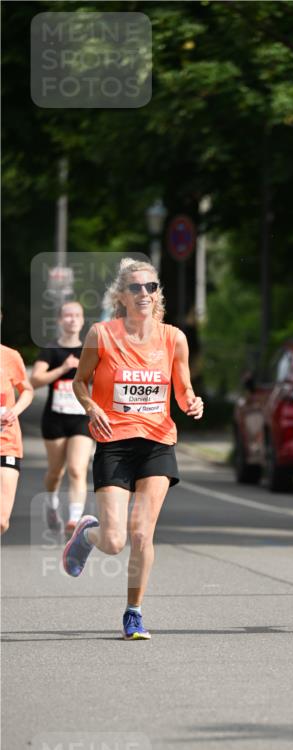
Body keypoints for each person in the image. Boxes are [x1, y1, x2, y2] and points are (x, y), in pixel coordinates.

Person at [63, 258, 204, 639]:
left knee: (142, 534)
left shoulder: (173, 338)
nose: (145, 294)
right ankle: (88, 535)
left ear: (158, 294)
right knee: (114, 541)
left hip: (158, 442)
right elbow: (80, 382)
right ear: (121, 296)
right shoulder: (101, 334)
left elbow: (183, 386)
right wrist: (92, 407)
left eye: (151, 287)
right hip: (114, 444)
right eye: (136, 288)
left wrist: (192, 401)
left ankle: (134, 612)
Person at [30, 301, 94, 537]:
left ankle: (74, 520)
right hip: (55, 419)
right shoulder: (51, 350)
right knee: (56, 472)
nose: (72, 319)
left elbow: (103, 379)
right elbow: (35, 380)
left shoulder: (90, 350)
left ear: (82, 319)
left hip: (81, 418)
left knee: (77, 470)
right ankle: (52, 502)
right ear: (60, 320)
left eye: (77, 315)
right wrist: (64, 367)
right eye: (67, 315)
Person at [0, 342, 34, 534]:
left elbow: (27, 390)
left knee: (2, 521)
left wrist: (14, 411)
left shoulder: (10, 355)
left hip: (6, 444)